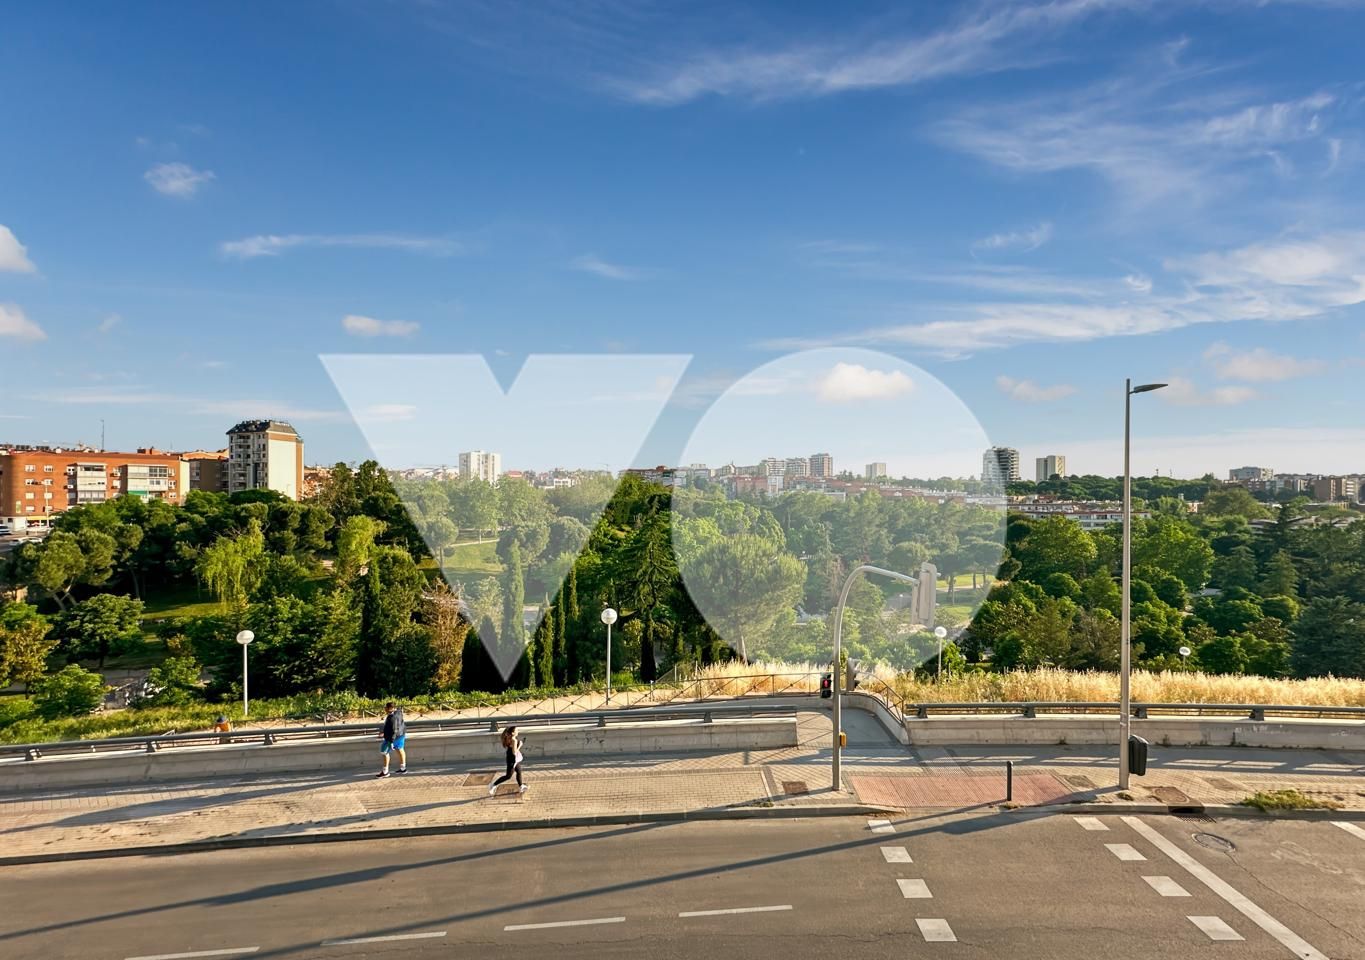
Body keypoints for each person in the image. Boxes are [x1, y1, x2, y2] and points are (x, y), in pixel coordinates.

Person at [489, 725, 527, 796]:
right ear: (512, 733)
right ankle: (493, 785)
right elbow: (514, 752)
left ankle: (521, 786)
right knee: (508, 776)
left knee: (519, 771)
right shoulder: (514, 740)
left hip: (510, 758)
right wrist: (520, 745)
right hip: (512, 760)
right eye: (516, 730)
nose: (517, 732)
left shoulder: (508, 738)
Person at [377, 701, 407, 778]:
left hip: (392, 737)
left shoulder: (391, 718)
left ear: (389, 708)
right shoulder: (399, 712)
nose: (385, 709)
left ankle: (385, 772)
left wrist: (391, 741)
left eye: (386, 708)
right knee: (400, 749)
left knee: (384, 752)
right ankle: (403, 768)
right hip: (401, 734)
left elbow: (394, 730)